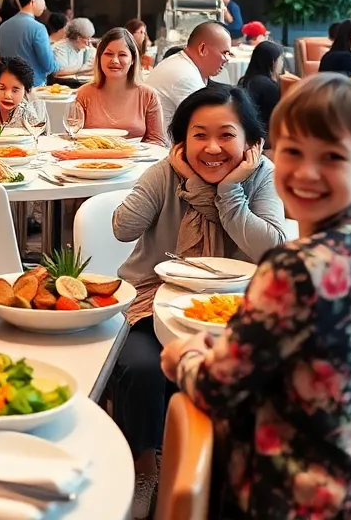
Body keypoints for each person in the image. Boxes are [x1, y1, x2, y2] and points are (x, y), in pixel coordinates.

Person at [160, 74, 351, 520]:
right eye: (292, 152)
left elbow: (217, 390)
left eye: (332, 157)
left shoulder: (292, 267)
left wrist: (185, 357)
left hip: (286, 496)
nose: (307, 173)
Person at [112, 84, 286, 518]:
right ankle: (144, 469)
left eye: (227, 135)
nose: (212, 147)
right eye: (198, 135)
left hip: (236, 306)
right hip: (154, 298)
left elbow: (273, 249)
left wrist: (229, 192)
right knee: (142, 366)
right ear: (181, 140)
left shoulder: (262, 174)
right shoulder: (166, 172)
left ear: (250, 143)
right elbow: (122, 228)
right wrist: (174, 180)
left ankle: (237, 473)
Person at [74, 28, 166, 145]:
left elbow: (156, 140)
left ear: (132, 59)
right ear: (99, 57)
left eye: (122, 54)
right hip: (92, 160)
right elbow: (73, 137)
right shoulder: (83, 93)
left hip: (136, 160)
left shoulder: (148, 95)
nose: (115, 60)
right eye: (108, 54)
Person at [146, 21, 233, 132]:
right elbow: (210, 123)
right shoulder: (185, 76)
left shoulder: (182, 63)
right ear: (202, 49)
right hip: (165, 147)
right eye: (224, 53)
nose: (227, 60)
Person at [0, 0, 58, 87]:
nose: (44, 6)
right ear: (33, 0)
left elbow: (1, 58)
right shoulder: (38, 28)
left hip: (8, 86)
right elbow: (49, 65)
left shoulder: (3, 26)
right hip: (33, 87)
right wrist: (58, 64)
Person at [237, 40, 285, 143]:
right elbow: (276, 118)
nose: (282, 63)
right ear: (273, 61)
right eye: (281, 59)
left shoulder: (244, 80)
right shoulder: (268, 86)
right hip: (262, 137)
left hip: (244, 133)